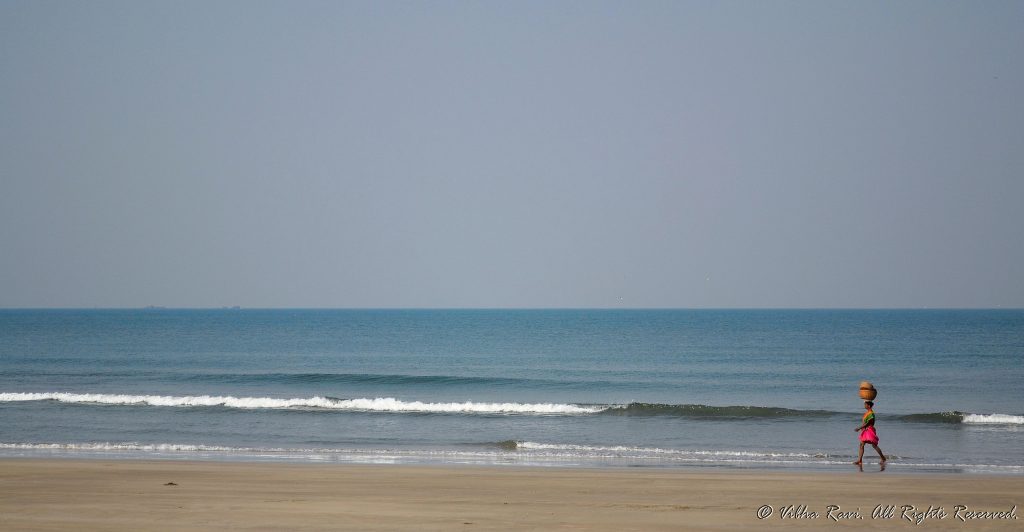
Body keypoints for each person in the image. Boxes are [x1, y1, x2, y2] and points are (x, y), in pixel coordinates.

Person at [854, 400, 887, 465]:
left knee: (874, 445)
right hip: (865, 430)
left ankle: (883, 458)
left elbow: (867, 423)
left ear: (868, 405)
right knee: (861, 444)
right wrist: (862, 428)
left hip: (869, 430)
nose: (864, 405)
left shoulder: (871, 413)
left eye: (865, 404)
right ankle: (859, 460)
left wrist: (859, 428)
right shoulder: (867, 413)